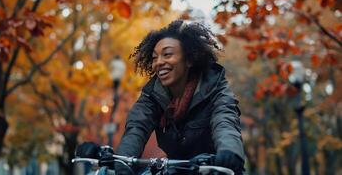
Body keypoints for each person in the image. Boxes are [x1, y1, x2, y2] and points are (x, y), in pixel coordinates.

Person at [76, 20, 245, 174]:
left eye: (167, 54)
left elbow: (225, 123)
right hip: (174, 170)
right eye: (155, 57)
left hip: (215, 169)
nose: (159, 62)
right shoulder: (152, 94)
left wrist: (229, 154)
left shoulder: (216, 89)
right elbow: (136, 129)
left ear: (189, 60)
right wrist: (121, 165)